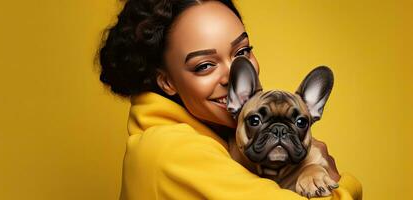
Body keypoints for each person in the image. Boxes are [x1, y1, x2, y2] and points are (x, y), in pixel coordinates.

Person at [98, 0, 362, 199]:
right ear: (166, 81)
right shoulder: (172, 152)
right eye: (204, 65)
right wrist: (342, 183)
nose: (231, 73)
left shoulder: (216, 138)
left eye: (242, 51)